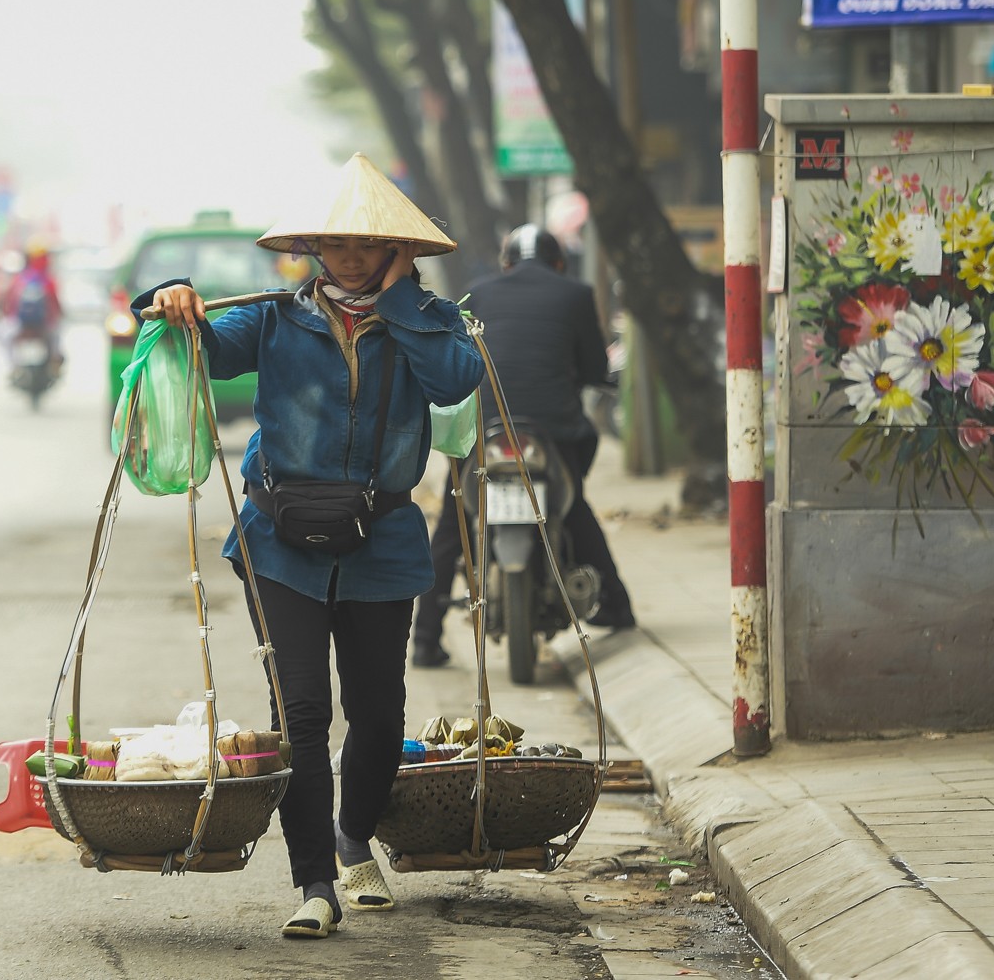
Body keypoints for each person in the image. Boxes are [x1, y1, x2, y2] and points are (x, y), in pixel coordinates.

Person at [143, 154, 482, 940]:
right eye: (336, 243)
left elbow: (453, 382)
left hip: (384, 541)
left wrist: (398, 301)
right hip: (278, 542)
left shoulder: (428, 321)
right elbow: (206, 348)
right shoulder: (271, 316)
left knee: (378, 709)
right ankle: (314, 881)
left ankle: (354, 834)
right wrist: (170, 302)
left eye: (369, 245)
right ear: (311, 248)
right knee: (299, 714)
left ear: (398, 251)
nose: (352, 258)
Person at [413, 224, 633, 668]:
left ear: (506, 264)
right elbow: (594, 366)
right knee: (573, 507)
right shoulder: (575, 294)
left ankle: (424, 640)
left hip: (482, 427)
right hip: (552, 432)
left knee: (455, 522)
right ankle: (615, 605)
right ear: (558, 264)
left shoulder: (479, 290)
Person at [1, 241, 64, 367]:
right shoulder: (47, 280)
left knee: (1, 335)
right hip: (44, 325)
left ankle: (12, 367)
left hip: (21, 325)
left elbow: (9, 303)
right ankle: (55, 363)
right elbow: (55, 304)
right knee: (58, 334)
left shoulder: (20, 278)